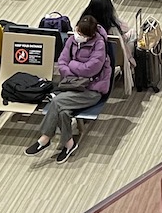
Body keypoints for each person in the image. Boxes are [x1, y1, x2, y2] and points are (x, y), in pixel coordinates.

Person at [24, 14, 112, 162]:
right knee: (63, 112)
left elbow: (90, 69)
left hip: (91, 90)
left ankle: (45, 139)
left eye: (82, 34)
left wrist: (72, 66)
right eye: (78, 30)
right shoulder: (71, 40)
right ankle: (69, 144)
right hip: (72, 86)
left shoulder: (99, 45)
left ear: (90, 35)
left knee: (57, 102)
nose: (78, 35)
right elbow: (62, 62)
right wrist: (74, 71)